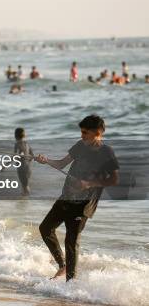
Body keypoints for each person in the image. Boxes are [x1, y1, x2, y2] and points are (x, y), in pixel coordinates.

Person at [35, 115, 119, 281]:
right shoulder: (80, 145)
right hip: (66, 197)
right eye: (81, 132)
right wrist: (45, 160)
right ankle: (63, 266)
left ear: (97, 133)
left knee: (71, 241)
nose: (81, 136)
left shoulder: (106, 152)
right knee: (45, 228)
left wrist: (88, 184)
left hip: (84, 203)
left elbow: (114, 180)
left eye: (85, 133)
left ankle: (70, 284)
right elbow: (61, 164)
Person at [14, 128, 33, 196]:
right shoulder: (27, 143)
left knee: (24, 186)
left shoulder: (17, 144)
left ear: (15, 136)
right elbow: (32, 156)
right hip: (28, 167)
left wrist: (4, 165)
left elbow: (14, 156)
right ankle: (25, 201)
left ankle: (24, 202)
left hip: (21, 168)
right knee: (26, 185)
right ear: (24, 135)